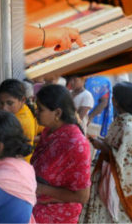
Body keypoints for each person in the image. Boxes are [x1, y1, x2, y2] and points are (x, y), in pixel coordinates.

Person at [31, 84, 91, 223]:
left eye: (40, 109)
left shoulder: (75, 144)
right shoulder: (49, 131)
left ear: (57, 113)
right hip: (37, 201)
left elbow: (82, 196)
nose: (36, 113)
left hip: (56, 213)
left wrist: (42, 189)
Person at [79, 82, 132, 223]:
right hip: (106, 174)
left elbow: (127, 158)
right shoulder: (122, 121)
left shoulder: (129, 126)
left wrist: (103, 147)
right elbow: (117, 146)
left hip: (116, 183)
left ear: (116, 101)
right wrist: (102, 143)